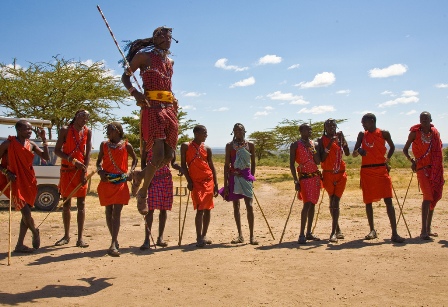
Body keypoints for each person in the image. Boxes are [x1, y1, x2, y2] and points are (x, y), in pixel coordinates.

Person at [121, 26, 179, 215]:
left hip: (169, 108)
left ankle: (139, 175)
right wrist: (135, 93)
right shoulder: (143, 57)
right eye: (162, 36)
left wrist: (173, 99)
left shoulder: (170, 61)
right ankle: (143, 193)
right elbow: (125, 77)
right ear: (155, 39)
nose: (167, 39)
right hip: (152, 107)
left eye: (169, 36)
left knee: (169, 156)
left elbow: (167, 85)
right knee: (158, 153)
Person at [353, 113, 405, 243]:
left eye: (364, 122)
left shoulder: (383, 133)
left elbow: (392, 147)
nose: (362, 125)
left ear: (371, 121)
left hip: (381, 169)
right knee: (368, 201)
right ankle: (372, 230)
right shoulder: (361, 135)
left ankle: (394, 233)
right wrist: (359, 150)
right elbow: (353, 154)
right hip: (366, 171)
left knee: (388, 200)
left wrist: (387, 159)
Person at [0, 120, 49, 253]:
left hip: (29, 182)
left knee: (25, 214)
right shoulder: (8, 144)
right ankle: (35, 231)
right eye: (27, 129)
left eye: (30, 129)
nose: (30, 131)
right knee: (26, 212)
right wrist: (6, 172)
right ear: (19, 130)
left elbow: (46, 157)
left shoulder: (31, 145)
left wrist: (44, 140)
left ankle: (19, 245)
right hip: (15, 182)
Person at [96, 122, 137, 256]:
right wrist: (100, 171)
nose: (108, 133)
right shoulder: (104, 145)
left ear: (118, 131)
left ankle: (113, 243)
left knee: (116, 212)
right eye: (107, 130)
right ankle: (114, 239)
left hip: (120, 182)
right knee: (108, 211)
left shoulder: (126, 145)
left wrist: (131, 171)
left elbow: (135, 159)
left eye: (110, 130)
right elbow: (98, 163)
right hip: (107, 181)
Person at [403, 112, 444, 240]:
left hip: (435, 169)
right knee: (427, 197)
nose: (424, 120)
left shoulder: (435, 134)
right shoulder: (414, 133)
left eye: (426, 118)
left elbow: (438, 152)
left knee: (433, 198)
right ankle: (423, 231)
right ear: (419, 120)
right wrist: (412, 161)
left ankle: (428, 228)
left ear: (431, 119)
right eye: (422, 118)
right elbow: (405, 149)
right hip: (421, 169)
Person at [54, 109, 92, 248]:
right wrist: (71, 160)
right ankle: (66, 235)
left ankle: (80, 238)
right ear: (76, 116)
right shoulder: (65, 130)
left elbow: (88, 154)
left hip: (80, 171)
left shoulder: (87, 131)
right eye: (82, 116)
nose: (84, 119)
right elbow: (57, 150)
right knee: (66, 204)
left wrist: (84, 171)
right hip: (67, 170)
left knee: (81, 204)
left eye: (87, 117)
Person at [219, 123, 258, 245]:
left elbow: (253, 163)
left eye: (240, 130)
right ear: (233, 132)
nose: (238, 132)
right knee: (236, 206)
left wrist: (251, 178)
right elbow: (226, 165)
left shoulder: (250, 145)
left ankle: (252, 236)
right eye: (236, 130)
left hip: (246, 177)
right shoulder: (229, 146)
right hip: (234, 177)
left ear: (244, 131)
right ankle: (240, 235)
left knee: (249, 206)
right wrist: (225, 183)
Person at [181, 125, 219, 247]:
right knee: (200, 208)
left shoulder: (207, 148)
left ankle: (204, 235)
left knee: (207, 208)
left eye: (206, 133)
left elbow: (211, 166)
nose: (206, 135)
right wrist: (189, 180)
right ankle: (198, 237)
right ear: (196, 133)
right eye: (204, 133)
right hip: (196, 181)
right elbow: (183, 165)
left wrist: (216, 184)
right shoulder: (185, 146)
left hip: (208, 180)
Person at [139, 147, 182, 250]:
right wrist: (146, 180)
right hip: (152, 180)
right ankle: (147, 240)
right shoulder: (147, 146)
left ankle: (160, 238)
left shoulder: (169, 147)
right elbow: (143, 165)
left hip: (166, 179)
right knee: (150, 209)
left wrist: (181, 168)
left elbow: (173, 163)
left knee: (163, 209)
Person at [317, 119, 350, 243]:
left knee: (335, 201)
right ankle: (335, 231)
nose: (331, 127)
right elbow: (322, 158)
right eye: (328, 125)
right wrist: (330, 144)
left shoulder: (340, 138)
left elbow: (347, 153)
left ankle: (336, 230)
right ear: (325, 127)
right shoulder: (321, 140)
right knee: (333, 200)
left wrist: (343, 141)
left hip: (341, 174)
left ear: (336, 126)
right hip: (328, 174)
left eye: (333, 125)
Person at [290, 123, 322, 244]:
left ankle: (309, 232)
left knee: (313, 204)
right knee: (307, 204)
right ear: (301, 131)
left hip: (315, 177)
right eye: (307, 129)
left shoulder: (314, 144)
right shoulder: (295, 145)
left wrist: (313, 150)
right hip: (304, 178)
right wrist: (295, 180)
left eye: (310, 129)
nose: (310, 131)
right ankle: (301, 234)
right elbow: (291, 164)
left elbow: (318, 162)